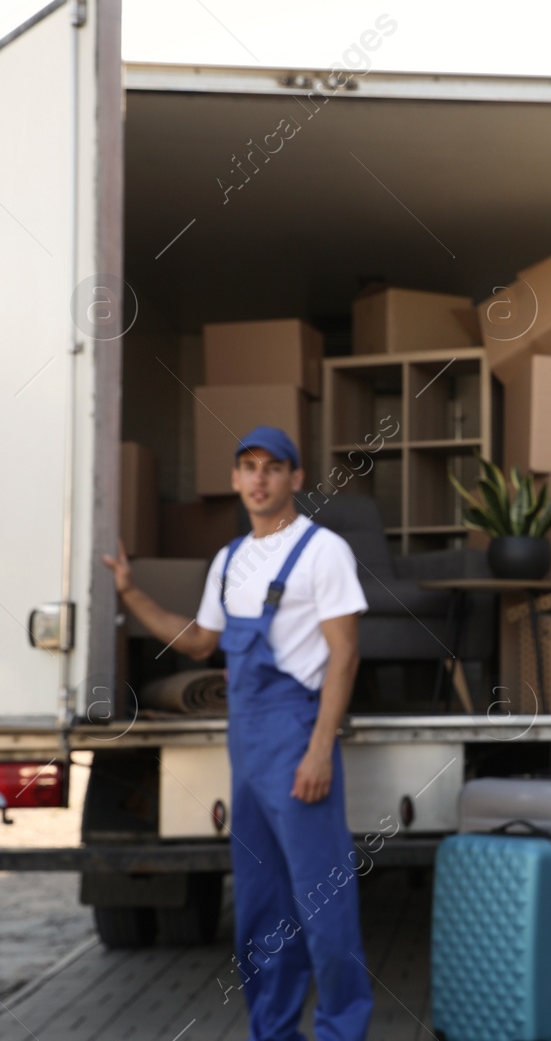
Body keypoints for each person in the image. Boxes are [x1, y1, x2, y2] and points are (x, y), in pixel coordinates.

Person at [104, 425, 374, 1041]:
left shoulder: (323, 550)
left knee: (323, 904)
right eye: (248, 467)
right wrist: (131, 593)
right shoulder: (228, 561)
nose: (259, 478)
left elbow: (345, 656)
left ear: (295, 477)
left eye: (273, 467)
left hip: (297, 736)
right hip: (247, 742)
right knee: (261, 905)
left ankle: (341, 1031)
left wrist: (319, 751)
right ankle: (273, 1032)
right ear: (234, 478)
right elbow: (202, 641)